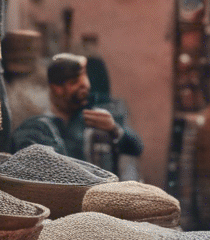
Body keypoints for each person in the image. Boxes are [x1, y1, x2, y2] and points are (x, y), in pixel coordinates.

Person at [9, 54, 142, 175]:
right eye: (74, 83)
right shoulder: (41, 123)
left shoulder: (97, 117)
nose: (83, 87)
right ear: (57, 88)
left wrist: (113, 129)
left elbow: (136, 147)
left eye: (84, 81)